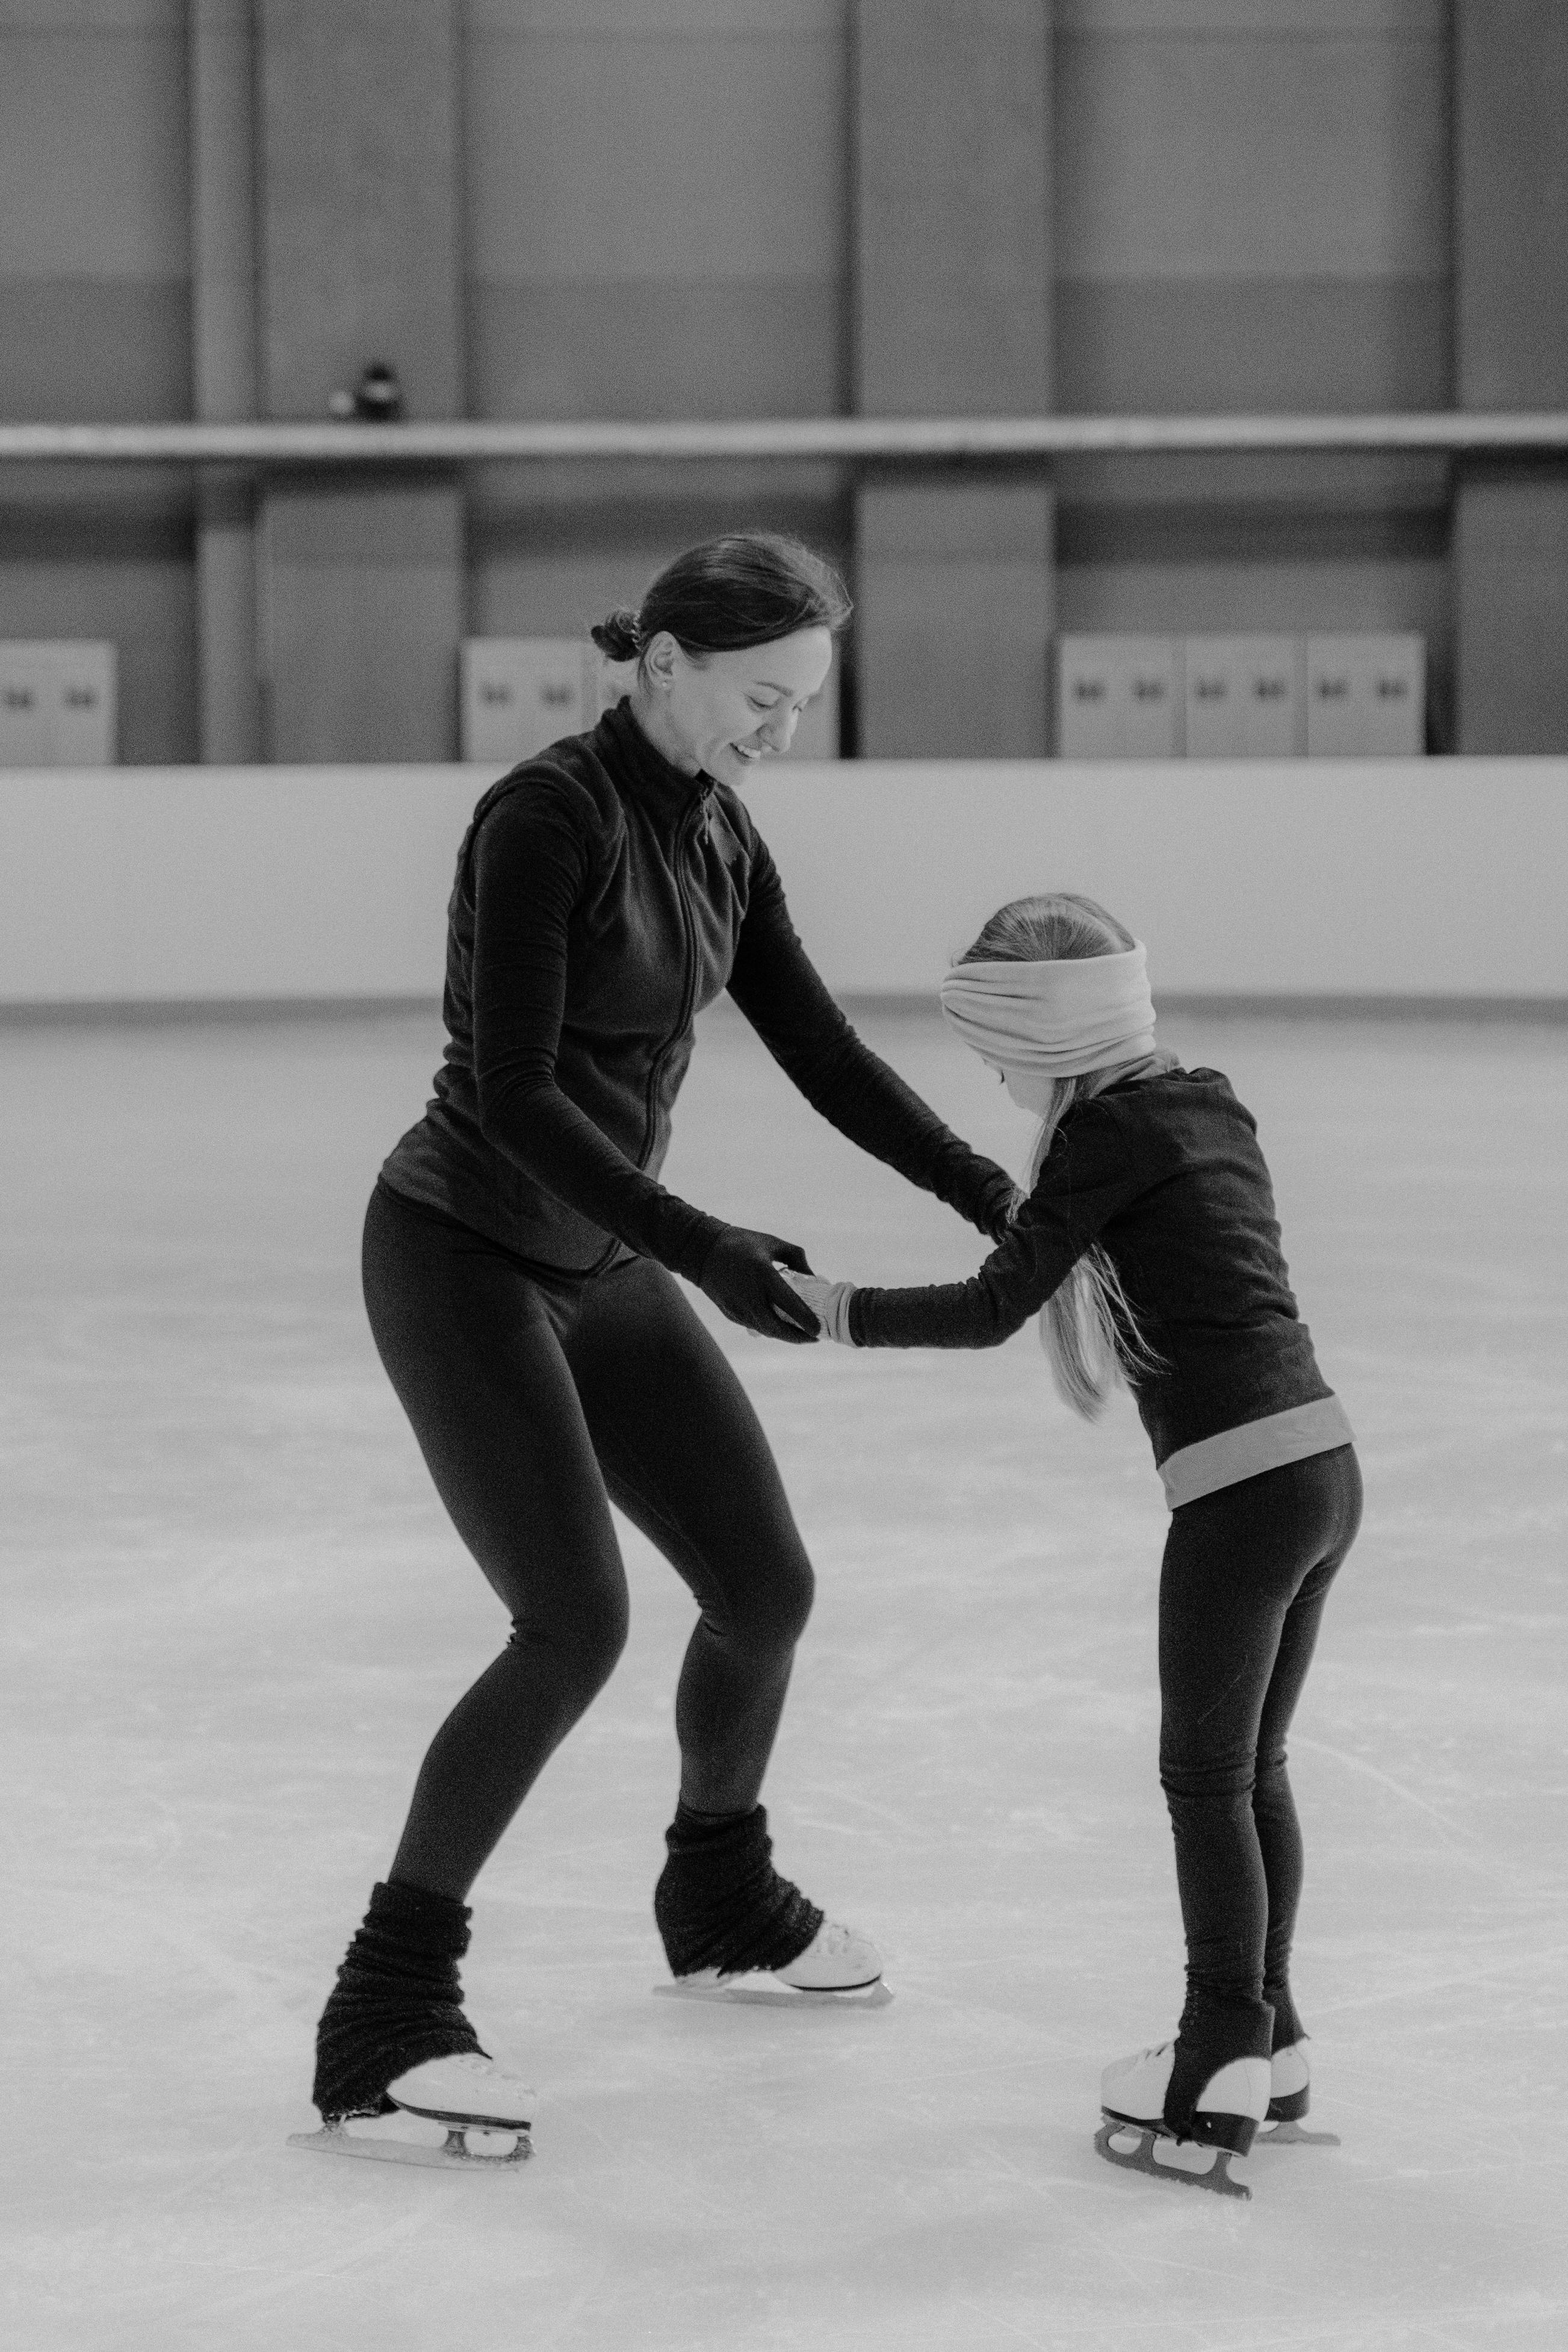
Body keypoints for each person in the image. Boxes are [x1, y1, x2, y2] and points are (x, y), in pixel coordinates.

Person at [300, 533, 1018, 2162]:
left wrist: (990, 1196)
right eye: (762, 696)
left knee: (763, 1587)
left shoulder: (719, 833)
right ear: (669, 661)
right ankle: (383, 2010)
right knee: (569, 1622)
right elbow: (513, 1091)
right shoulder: (541, 816)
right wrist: (701, 1242)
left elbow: (819, 1047)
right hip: (463, 1250)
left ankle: (715, 1894)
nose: (780, 728)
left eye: (802, 705)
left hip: (603, 1256)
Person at [782, 892, 1362, 2200]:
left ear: (1043, 1030)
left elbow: (999, 1305)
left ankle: (1218, 2049)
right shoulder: (1200, 1100)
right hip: (1323, 1468)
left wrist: (833, 1313)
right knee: (1251, 1765)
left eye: (995, 1047)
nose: (989, 1077)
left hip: (1241, 1493)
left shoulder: (1101, 1131)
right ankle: (1268, 2041)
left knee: (1204, 1778)